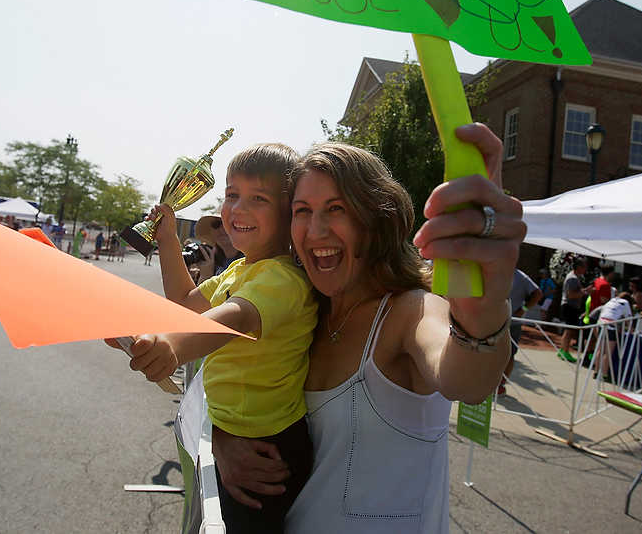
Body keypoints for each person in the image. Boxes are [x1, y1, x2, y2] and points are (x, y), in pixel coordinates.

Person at [209, 124, 523, 533]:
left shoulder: (409, 311)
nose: (316, 230)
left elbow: (465, 379)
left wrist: (483, 305)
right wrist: (223, 440)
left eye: (337, 209)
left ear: (376, 219)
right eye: (303, 211)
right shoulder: (304, 312)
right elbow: (231, 384)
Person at [118, 143, 317, 533]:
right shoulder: (239, 270)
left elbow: (234, 319)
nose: (238, 208)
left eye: (257, 198)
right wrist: (168, 239)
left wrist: (172, 346)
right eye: (231, 194)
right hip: (235, 432)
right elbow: (185, 302)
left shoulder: (282, 277)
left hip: (269, 447)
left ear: (289, 212)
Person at [499, 268, 541, 395]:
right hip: (492, 321)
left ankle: (501, 385)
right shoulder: (493, 269)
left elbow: (537, 293)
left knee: (509, 353)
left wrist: (522, 309)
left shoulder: (520, 276)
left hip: (513, 323)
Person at [557, 257, 587, 362]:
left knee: (569, 329)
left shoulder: (574, 277)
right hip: (570, 307)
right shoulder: (572, 278)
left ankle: (562, 350)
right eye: (584, 267)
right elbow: (571, 295)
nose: (585, 269)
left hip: (570, 306)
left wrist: (584, 291)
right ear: (578, 267)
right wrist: (584, 292)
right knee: (569, 330)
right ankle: (564, 351)